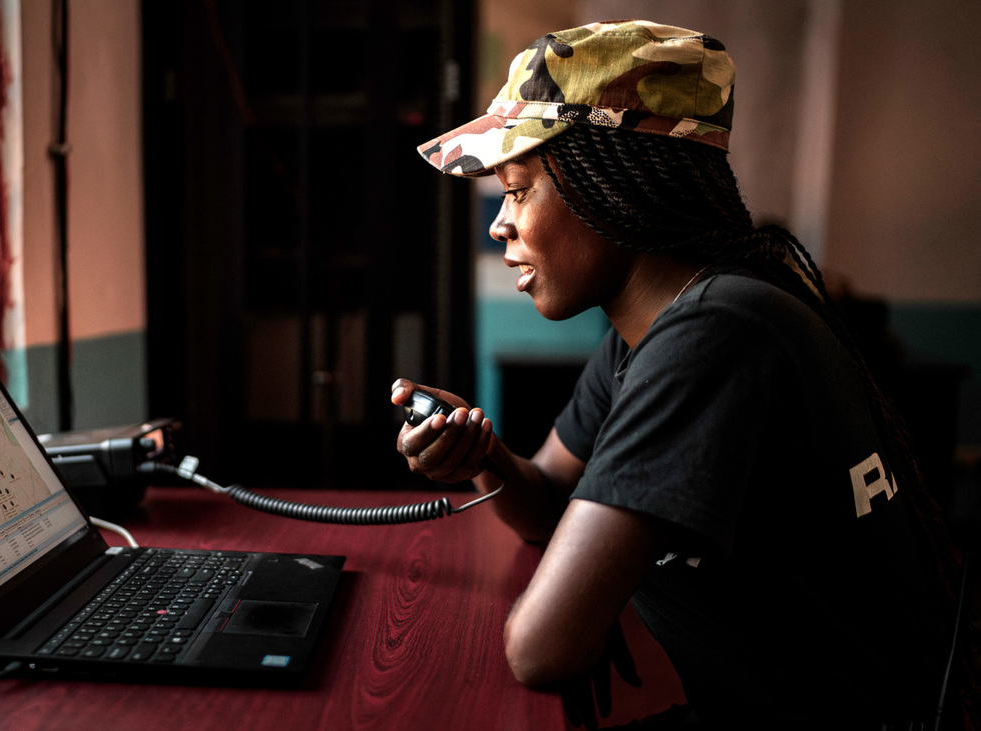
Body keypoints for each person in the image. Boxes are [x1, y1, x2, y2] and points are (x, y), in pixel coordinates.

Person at [392, 20, 977, 729]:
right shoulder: (663, 323)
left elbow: (541, 648)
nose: (500, 224)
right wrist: (483, 458)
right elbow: (547, 497)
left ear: (607, 185)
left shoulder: (713, 336)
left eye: (518, 189)